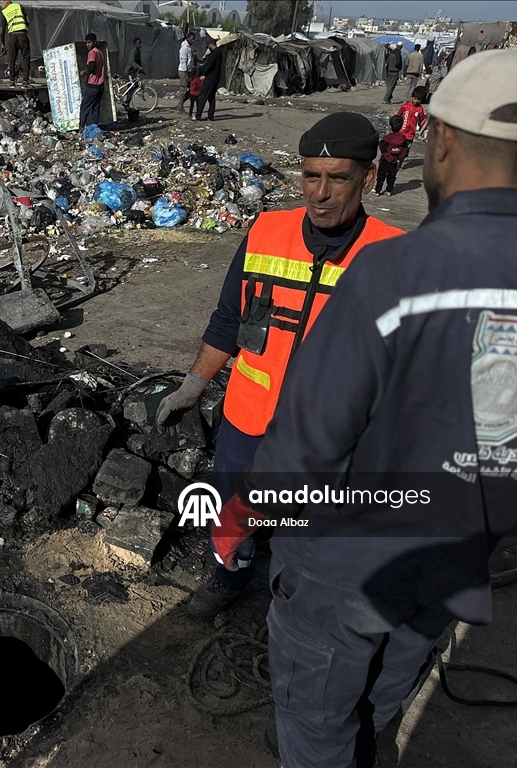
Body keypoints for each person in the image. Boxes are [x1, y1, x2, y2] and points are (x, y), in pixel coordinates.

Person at [209, 49, 517, 767]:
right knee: (385, 691)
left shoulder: (394, 269)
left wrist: (244, 514)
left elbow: (311, 440)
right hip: (453, 556)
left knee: (317, 721)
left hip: (347, 560)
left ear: (438, 139)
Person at [155, 113, 404, 619]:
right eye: (311, 176)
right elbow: (229, 320)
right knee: (231, 511)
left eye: (338, 178)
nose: (321, 193)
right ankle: (229, 577)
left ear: (368, 178)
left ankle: (298, 606)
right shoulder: (266, 231)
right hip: (248, 420)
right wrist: (194, 383)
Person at [374, 115, 409, 196]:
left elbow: (383, 149)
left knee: (381, 175)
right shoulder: (403, 138)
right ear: (401, 127)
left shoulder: (387, 138)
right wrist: (399, 159)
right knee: (392, 176)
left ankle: (377, 191)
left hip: (386, 159)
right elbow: (404, 150)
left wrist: (389, 157)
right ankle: (389, 191)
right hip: (395, 160)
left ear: (390, 127)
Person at [78, 33, 106, 130]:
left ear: (94, 42)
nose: (87, 45)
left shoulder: (92, 53)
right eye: (86, 43)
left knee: (84, 107)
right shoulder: (100, 52)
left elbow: (91, 67)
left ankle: (81, 129)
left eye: (89, 42)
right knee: (95, 108)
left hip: (93, 85)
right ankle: (94, 128)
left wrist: (84, 72)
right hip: (100, 86)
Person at [396, 86, 428, 168]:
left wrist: (424, 130)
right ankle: (395, 161)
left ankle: (399, 165)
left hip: (410, 135)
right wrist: (394, 127)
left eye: (418, 99)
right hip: (401, 132)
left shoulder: (420, 109)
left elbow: (422, 121)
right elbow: (398, 117)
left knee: (404, 152)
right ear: (411, 97)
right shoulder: (405, 106)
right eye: (415, 99)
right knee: (397, 148)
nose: (416, 101)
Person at [0, 0, 31, 84]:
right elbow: (27, 20)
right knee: (26, 58)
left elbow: (2, 29)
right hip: (22, 34)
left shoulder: (5, 11)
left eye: (2, 3)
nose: (1, 5)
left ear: (7, 3)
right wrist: (24, 28)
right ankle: (25, 80)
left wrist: (2, 44)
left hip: (13, 36)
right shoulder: (19, 6)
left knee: (12, 59)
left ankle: (12, 80)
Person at [194, 38, 224, 122]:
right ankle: (211, 116)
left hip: (210, 78)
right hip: (216, 78)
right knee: (211, 97)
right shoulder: (219, 53)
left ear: (211, 45)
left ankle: (198, 115)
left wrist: (198, 69)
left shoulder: (214, 54)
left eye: (208, 46)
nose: (208, 48)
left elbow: (208, 65)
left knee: (202, 96)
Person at [122, 37, 144, 109]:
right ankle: (126, 102)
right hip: (130, 72)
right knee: (133, 86)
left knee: (133, 87)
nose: (140, 44)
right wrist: (138, 67)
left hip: (133, 72)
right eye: (139, 43)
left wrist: (141, 69)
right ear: (135, 44)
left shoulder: (138, 52)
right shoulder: (133, 52)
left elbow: (139, 62)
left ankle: (127, 103)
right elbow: (132, 62)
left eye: (140, 43)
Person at [178, 31, 196, 113]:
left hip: (189, 71)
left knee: (191, 89)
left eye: (194, 39)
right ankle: (180, 106)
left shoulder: (189, 47)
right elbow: (183, 62)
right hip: (183, 71)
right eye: (192, 39)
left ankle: (180, 104)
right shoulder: (184, 48)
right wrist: (186, 75)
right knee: (184, 89)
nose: (193, 41)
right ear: (188, 38)